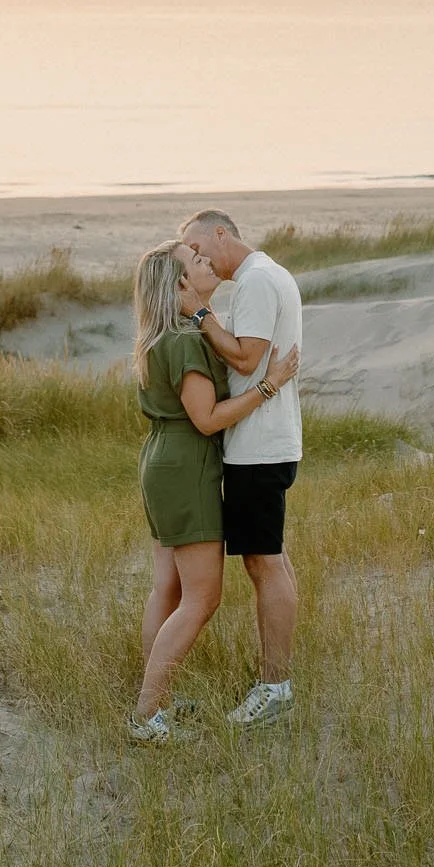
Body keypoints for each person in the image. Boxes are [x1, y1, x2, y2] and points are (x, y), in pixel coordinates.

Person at [128, 240, 298, 745]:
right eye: (194, 262)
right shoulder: (183, 342)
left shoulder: (165, 336)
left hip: (162, 461)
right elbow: (206, 419)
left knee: (169, 588)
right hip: (185, 468)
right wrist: (269, 386)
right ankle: (145, 715)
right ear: (179, 285)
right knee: (203, 597)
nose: (205, 262)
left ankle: (156, 697)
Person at [179, 208, 304, 729]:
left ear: (221, 234)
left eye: (200, 249)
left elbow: (248, 360)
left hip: (259, 447)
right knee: (272, 560)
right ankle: (277, 680)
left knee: (263, 565)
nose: (200, 260)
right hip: (272, 441)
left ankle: (274, 687)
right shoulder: (268, 275)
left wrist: (200, 314)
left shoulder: (255, 282)